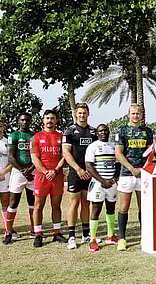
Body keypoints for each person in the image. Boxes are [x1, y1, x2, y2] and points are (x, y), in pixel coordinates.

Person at [115, 104, 153, 251]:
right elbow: (118, 153)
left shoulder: (147, 131)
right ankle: (122, 238)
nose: (136, 116)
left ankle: (145, 237)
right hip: (126, 174)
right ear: (128, 115)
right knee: (124, 207)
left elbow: (151, 153)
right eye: (133, 113)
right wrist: (132, 169)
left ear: (142, 115)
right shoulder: (122, 130)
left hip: (144, 174)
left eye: (138, 113)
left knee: (143, 207)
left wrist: (143, 169)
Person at [62, 102, 97, 250]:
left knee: (86, 203)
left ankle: (85, 234)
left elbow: (97, 152)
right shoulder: (69, 131)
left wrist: (91, 170)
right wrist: (78, 169)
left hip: (90, 173)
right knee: (73, 203)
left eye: (84, 113)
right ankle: (71, 236)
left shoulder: (94, 132)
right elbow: (66, 153)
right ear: (76, 114)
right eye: (80, 113)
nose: (82, 115)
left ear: (88, 114)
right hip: (75, 173)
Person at [31, 109, 67, 248]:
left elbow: (65, 155)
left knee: (56, 205)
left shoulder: (61, 136)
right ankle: (38, 234)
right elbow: (35, 158)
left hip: (57, 175)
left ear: (56, 120)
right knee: (38, 206)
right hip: (42, 176)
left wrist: (56, 170)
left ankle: (56, 232)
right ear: (43, 120)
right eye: (47, 118)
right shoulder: (36, 137)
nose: (50, 121)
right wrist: (46, 172)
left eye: (52, 118)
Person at [85, 124, 121, 252]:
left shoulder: (113, 146)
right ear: (97, 133)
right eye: (101, 131)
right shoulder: (92, 146)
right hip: (98, 184)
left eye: (106, 131)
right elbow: (89, 166)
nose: (104, 133)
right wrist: (102, 181)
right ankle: (93, 239)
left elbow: (118, 164)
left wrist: (114, 179)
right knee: (96, 209)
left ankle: (110, 236)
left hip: (111, 184)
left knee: (111, 208)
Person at [4, 112, 35, 244]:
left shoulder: (34, 136)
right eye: (22, 120)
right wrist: (23, 170)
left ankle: (34, 230)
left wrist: (31, 169)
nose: (25, 122)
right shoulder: (14, 135)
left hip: (33, 172)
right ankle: (8, 232)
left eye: (27, 120)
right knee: (13, 202)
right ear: (18, 121)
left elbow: (38, 156)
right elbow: (11, 157)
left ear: (30, 121)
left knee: (33, 203)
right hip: (18, 172)